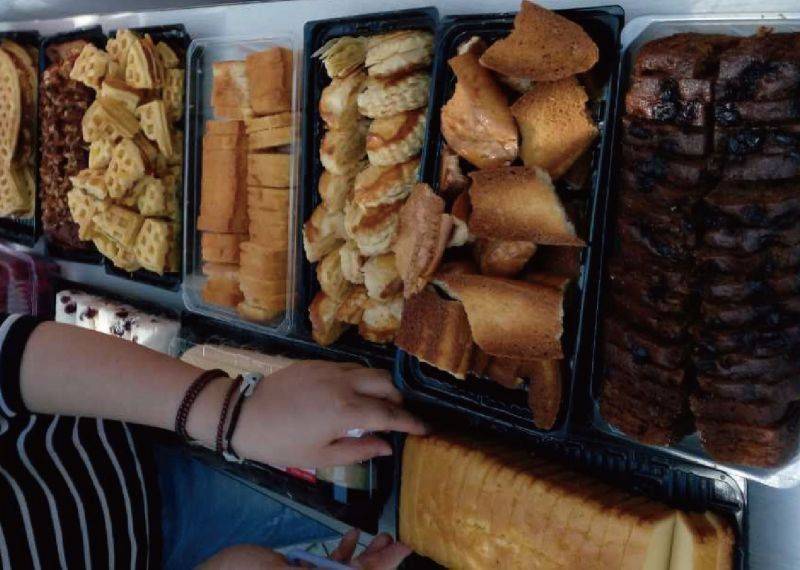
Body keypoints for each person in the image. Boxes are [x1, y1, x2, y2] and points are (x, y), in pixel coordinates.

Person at [0, 313, 426, 568]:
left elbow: (7, 359)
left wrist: (236, 415)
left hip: (142, 426)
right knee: (413, 522)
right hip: (173, 554)